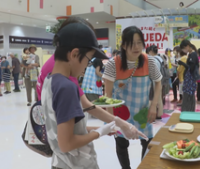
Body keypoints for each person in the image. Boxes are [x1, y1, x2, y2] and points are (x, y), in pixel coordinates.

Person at [41, 18, 147, 169]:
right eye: (88, 59)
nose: (86, 66)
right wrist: (99, 133)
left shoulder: (50, 81)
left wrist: (105, 128)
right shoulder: (67, 87)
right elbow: (66, 144)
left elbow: (64, 132)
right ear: (74, 54)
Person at [103, 26, 162, 169]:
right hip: (121, 113)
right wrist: (112, 122)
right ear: (123, 45)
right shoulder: (113, 64)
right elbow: (108, 95)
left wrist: (154, 106)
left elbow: (158, 83)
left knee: (147, 142)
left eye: (139, 42)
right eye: (131, 43)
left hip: (143, 111)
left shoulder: (150, 61)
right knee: (122, 144)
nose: (136, 47)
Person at [180, 40, 199, 111]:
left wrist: (183, 64)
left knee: (189, 95)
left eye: (183, 48)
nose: (183, 50)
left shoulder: (193, 54)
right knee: (188, 95)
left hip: (190, 80)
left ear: (187, 46)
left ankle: (188, 111)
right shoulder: (190, 54)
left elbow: (191, 68)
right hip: (189, 79)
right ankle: (188, 110)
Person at [148, 45, 163, 119]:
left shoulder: (153, 60)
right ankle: (159, 113)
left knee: (153, 98)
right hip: (161, 79)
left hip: (154, 81)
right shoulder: (160, 58)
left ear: (151, 51)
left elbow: (154, 73)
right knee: (159, 97)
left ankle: (154, 115)